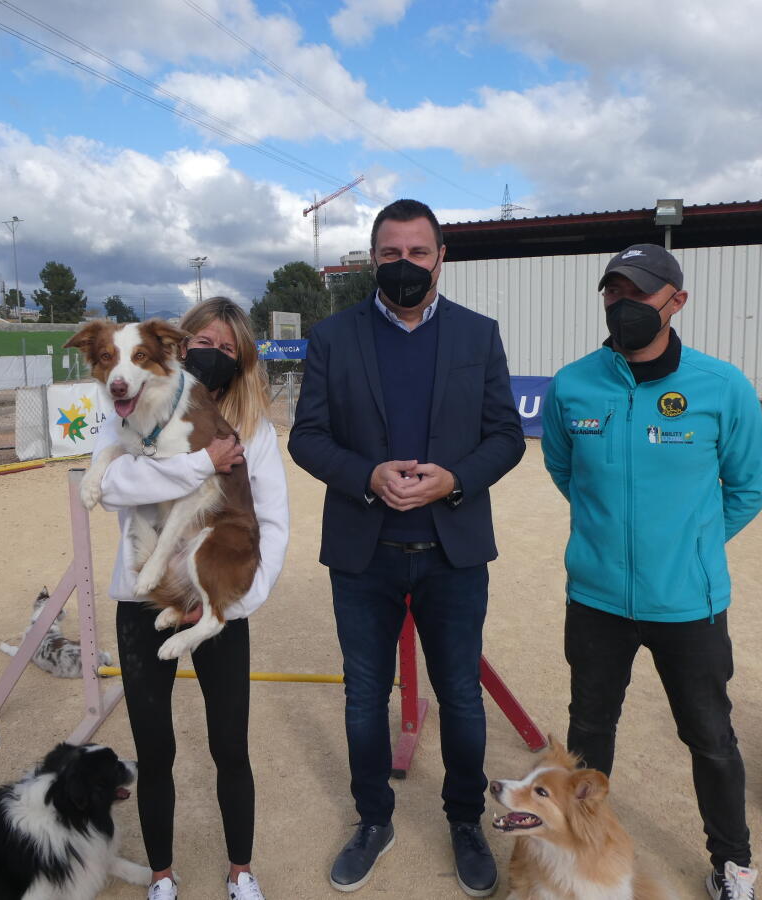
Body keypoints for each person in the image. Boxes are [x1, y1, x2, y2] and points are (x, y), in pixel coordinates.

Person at [288, 198, 526, 897]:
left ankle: (463, 822)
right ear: (372, 259)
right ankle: (374, 819)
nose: (404, 266)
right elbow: (307, 436)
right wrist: (366, 475)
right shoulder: (333, 337)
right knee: (364, 700)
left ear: (440, 257)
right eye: (390, 254)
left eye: (418, 253)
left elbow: (506, 436)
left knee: (460, 697)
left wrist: (455, 480)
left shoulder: (479, 337)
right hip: (365, 554)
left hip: (453, 551)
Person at [541, 243, 762, 900]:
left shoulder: (721, 386)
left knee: (710, 737)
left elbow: (748, 487)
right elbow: (566, 470)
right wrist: (610, 535)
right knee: (588, 735)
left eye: (638, 293)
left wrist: (690, 545)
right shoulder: (573, 384)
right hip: (596, 599)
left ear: (676, 301)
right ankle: (585, 861)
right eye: (613, 293)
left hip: (688, 603)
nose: (624, 305)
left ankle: (733, 865)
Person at [89, 297, 289, 900]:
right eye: (204, 341)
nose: (214, 355)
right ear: (180, 344)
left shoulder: (251, 430)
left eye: (228, 349)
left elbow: (272, 525)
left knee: (230, 741)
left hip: (216, 600)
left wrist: (236, 603)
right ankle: (162, 876)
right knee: (154, 745)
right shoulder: (130, 412)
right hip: (143, 599)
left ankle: (240, 871)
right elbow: (117, 484)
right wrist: (200, 464)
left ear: (243, 360)